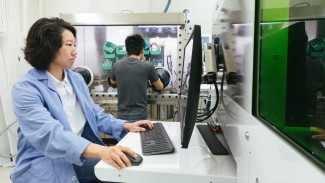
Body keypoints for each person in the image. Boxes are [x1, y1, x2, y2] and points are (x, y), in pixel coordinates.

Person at [10, 17, 154, 183]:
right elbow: (50, 135)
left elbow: (94, 114)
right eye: (69, 45)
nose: (75, 51)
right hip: (46, 161)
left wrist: (125, 125)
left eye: (75, 45)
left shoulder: (75, 79)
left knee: (128, 170)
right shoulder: (26, 88)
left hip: (77, 155)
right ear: (48, 46)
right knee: (118, 174)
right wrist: (101, 151)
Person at [109, 34, 164, 122]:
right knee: (141, 136)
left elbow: (112, 82)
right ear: (142, 50)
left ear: (127, 50)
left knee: (124, 136)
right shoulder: (148, 66)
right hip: (141, 116)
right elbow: (159, 87)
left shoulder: (116, 65)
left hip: (122, 117)